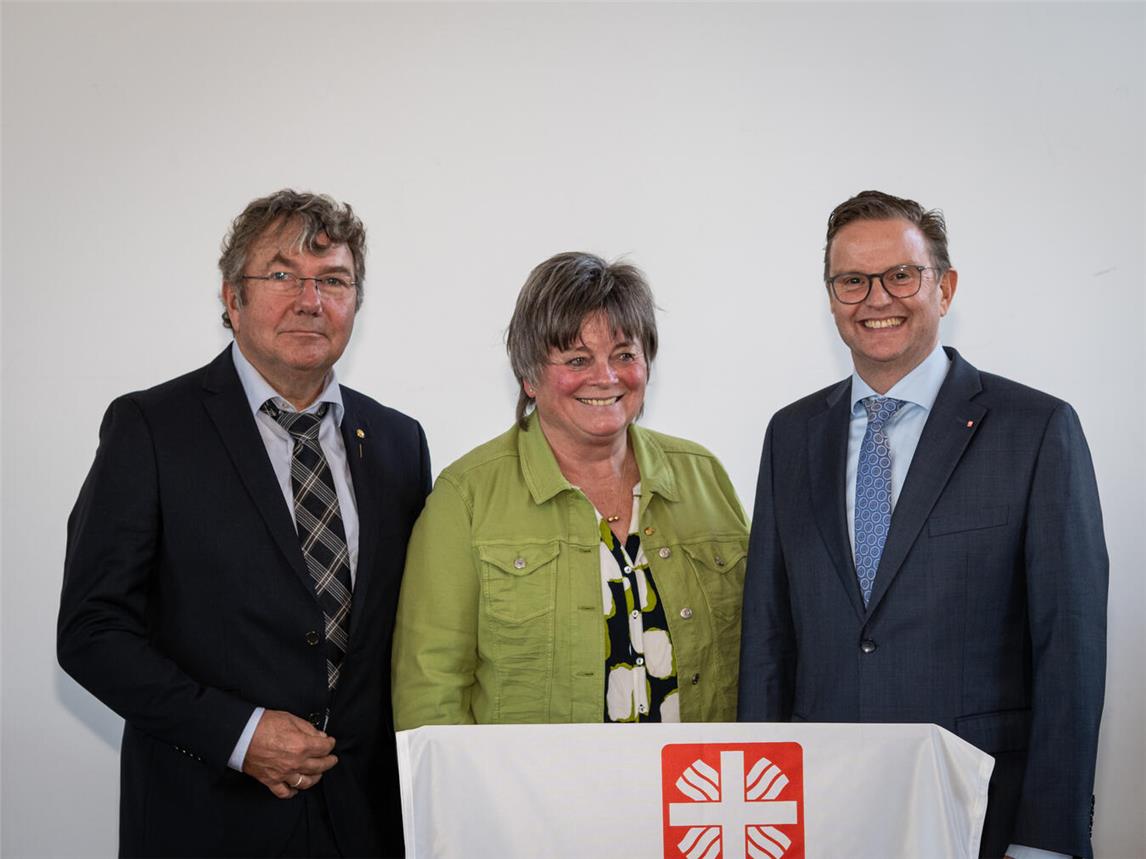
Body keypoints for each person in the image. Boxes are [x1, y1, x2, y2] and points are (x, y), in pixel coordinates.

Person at [58, 190, 429, 858]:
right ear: (233, 298)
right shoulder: (151, 428)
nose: (310, 299)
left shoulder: (402, 443)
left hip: (365, 823)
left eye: (334, 280)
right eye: (282, 274)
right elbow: (91, 631)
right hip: (206, 820)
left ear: (355, 302)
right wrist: (239, 732)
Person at [738, 190, 1107, 859]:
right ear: (831, 297)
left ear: (945, 287)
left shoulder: (1036, 430)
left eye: (901, 275)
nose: (877, 298)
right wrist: (757, 812)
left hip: (980, 814)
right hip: (820, 812)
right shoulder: (790, 436)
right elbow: (767, 640)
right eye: (852, 280)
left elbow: (1070, 650)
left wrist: (1046, 837)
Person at [392, 251, 748, 728]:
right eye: (577, 359)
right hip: (533, 801)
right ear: (528, 376)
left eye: (625, 354)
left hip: (692, 796)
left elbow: (760, 654)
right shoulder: (466, 497)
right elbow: (430, 691)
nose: (606, 377)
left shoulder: (705, 477)